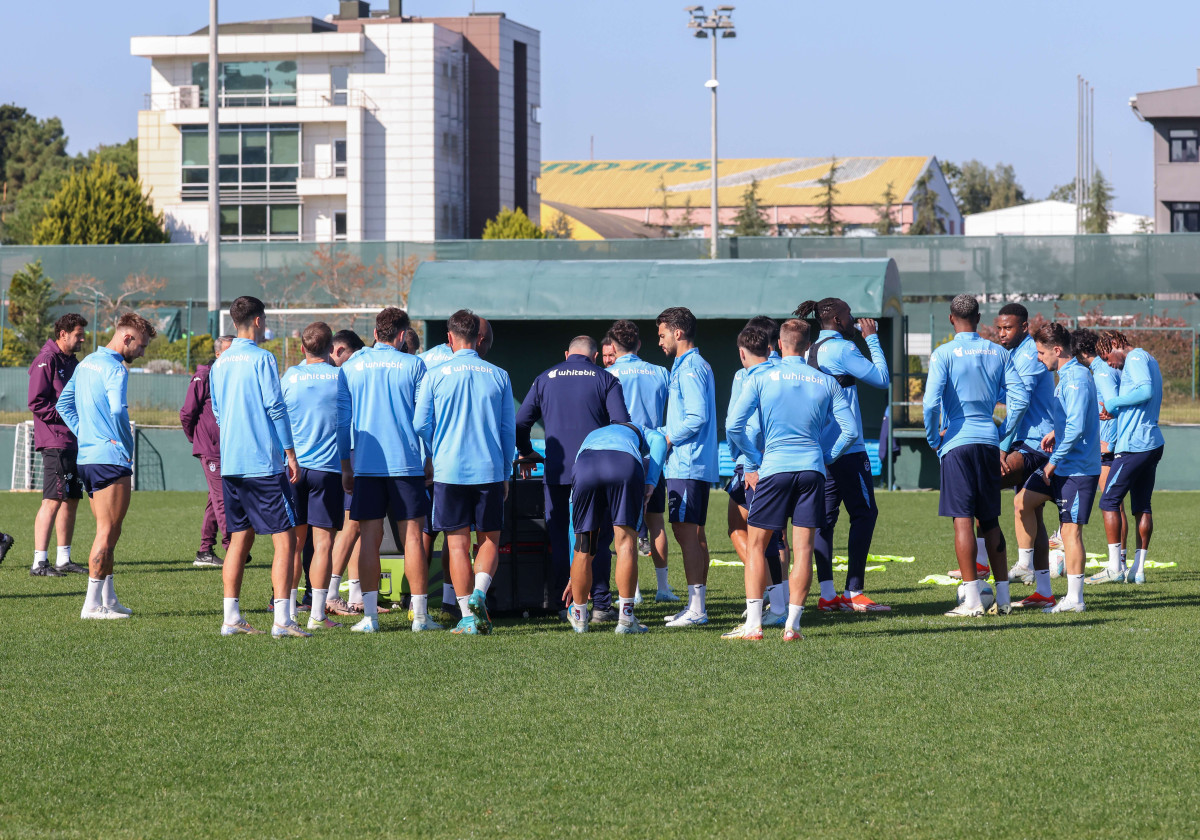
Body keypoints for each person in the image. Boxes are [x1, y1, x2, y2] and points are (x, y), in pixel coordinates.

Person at [725, 318, 856, 640]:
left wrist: (753, 460)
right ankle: (792, 626)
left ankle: (754, 625)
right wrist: (828, 456)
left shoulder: (761, 378)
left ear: (779, 345)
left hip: (774, 468)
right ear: (809, 346)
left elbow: (733, 426)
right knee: (804, 550)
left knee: (757, 546)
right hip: (813, 470)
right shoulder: (826, 382)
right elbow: (850, 431)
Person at [922, 294, 1028, 617]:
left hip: (957, 442)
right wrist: (1003, 434)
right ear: (979, 318)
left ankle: (971, 601)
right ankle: (1005, 599)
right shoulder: (998, 352)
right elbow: (1020, 399)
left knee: (963, 520)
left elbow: (930, 403)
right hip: (987, 441)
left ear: (951, 318)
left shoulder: (943, 353)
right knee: (991, 520)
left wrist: (933, 438)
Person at [515, 335, 630, 622]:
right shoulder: (605, 379)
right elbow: (621, 424)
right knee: (596, 538)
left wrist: (526, 451)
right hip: (594, 471)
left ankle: (564, 603)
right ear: (593, 357)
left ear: (567, 354)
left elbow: (520, 422)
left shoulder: (544, 378)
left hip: (557, 472)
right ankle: (601, 604)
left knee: (561, 537)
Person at [415, 309, 515, 635]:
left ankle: (467, 616)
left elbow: (419, 424)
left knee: (456, 544)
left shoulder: (435, 375)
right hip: (488, 470)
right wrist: (505, 473)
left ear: (449, 338)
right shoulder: (499, 375)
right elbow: (507, 432)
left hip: (449, 470)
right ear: (480, 338)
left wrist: (433, 452)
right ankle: (479, 595)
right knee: (489, 541)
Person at [210, 296, 305, 638]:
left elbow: (218, 413)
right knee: (286, 540)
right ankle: (283, 620)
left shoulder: (219, 364)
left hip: (232, 465)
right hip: (262, 464)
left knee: (239, 540)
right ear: (259, 320)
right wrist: (290, 454)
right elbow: (276, 408)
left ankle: (231, 618)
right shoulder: (263, 358)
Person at [340, 307, 437, 633]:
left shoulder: (352, 366)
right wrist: (429, 456)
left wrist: (345, 464)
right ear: (400, 335)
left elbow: (342, 423)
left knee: (369, 539)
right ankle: (420, 617)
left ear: (376, 331)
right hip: (406, 464)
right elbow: (424, 421)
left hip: (366, 465)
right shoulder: (414, 365)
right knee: (413, 537)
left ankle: (369, 617)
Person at [56, 312, 157, 619]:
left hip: (87, 458)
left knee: (111, 531)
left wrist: (85, 433)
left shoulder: (85, 363)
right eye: (141, 346)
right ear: (127, 338)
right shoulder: (115, 369)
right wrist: (125, 445)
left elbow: (63, 404)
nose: (141, 353)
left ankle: (108, 599)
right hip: (110, 459)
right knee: (107, 531)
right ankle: (91, 605)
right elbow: (117, 410)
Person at [794, 298, 891, 613]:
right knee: (864, 514)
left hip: (820, 450)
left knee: (825, 520)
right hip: (847, 449)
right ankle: (853, 592)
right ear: (836, 318)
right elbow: (882, 379)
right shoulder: (842, 349)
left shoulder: (810, 349)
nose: (854, 320)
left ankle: (827, 594)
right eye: (849, 315)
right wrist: (872, 338)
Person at [1014, 323, 1099, 613]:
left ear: (1057, 350)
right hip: (1064, 465)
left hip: (1076, 469)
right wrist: (1055, 434)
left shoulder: (1075, 377)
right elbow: (1071, 424)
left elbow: (1076, 427)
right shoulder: (1067, 376)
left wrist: (1052, 461)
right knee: (1022, 502)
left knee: (1071, 532)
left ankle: (1075, 599)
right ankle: (1030, 571)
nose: (1038, 358)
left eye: (1041, 352)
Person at [280, 322, 352, 631]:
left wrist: (288, 455)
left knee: (292, 545)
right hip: (328, 470)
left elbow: (277, 415)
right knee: (322, 545)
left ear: (302, 348)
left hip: (293, 468)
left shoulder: (291, 377)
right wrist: (348, 466)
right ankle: (318, 614)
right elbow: (346, 425)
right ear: (330, 348)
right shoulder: (340, 377)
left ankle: (289, 612)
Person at [566, 422, 667, 634]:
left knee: (584, 546)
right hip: (624, 465)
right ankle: (626, 619)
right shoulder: (641, 430)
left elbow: (571, 523)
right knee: (626, 545)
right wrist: (651, 481)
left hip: (586, 465)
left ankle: (580, 617)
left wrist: (570, 576)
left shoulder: (593, 434)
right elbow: (659, 441)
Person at [604, 319, 679, 603]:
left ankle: (633, 592)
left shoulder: (608, 374)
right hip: (653, 455)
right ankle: (663, 588)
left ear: (613, 346)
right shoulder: (660, 372)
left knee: (624, 526)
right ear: (638, 343)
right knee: (656, 522)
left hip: (622, 454)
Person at [655, 306, 719, 628]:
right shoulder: (691, 365)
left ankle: (697, 610)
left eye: (662, 334)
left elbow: (697, 416)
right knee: (694, 533)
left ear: (678, 333)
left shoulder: (690, 367)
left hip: (687, 463)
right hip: (691, 463)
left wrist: (667, 438)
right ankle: (697, 606)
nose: (660, 342)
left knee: (685, 533)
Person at [724, 320, 789, 626]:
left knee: (754, 538)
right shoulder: (787, 371)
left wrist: (749, 461)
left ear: (742, 352)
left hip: (756, 466)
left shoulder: (750, 376)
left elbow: (741, 424)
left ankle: (766, 608)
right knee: (779, 539)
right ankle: (780, 602)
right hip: (788, 465)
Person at [1093, 330, 1164, 585]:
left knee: (1109, 501)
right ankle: (1139, 570)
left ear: (1115, 344)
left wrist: (1114, 404)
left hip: (1135, 444)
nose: (1109, 363)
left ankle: (1114, 567)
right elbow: (1143, 398)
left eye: (1107, 356)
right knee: (1142, 506)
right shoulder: (1150, 359)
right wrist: (1118, 412)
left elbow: (1145, 392)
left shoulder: (1134, 359)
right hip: (1152, 441)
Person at [991, 304, 1054, 582]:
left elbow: (1019, 402)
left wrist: (1002, 446)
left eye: (1008, 328)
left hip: (1035, 442)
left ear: (1024, 327)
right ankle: (1036, 577)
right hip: (1023, 439)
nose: (1002, 334)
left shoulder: (1029, 354)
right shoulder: (1013, 353)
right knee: (1030, 510)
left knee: (984, 482)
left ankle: (983, 563)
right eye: (999, 328)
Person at [27, 312, 89, 577]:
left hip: (73, 440)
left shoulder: (72, 362)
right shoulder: (46, 359)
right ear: (63, 334)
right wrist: (67, 418)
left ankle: (64, 558)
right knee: (52, 499)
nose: (83, 339)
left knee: (71, 499)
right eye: (78, 334)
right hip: (54, 441)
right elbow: (37, 402)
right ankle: (39, 562)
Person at [1071, 329, 1128, 576]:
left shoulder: (1102, 372)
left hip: (1108, 447)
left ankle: (1117, 565)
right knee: (1114, 503)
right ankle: (1121, 563)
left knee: (1111, 503)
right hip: (1106, 444)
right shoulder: (1104, 370)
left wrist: (1109, 443)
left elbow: (1113, 405)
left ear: (1081, 352)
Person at [181, 334, 234, 567]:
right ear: (218, 354)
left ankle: (204, 552)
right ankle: (232, 547)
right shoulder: (204, 376)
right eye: (229, 351)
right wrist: (199, 440)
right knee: (223, 498)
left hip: (226, 448)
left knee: (215, 499)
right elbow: (186, 413)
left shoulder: (230, 376)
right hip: (211, 449)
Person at [326, 330, 366, 616]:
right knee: (350, 524)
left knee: (359, 524)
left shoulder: (352, 370)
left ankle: (355, 595)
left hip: (353, 454)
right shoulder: (345, 373)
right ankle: (329, 592)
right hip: (348, 456)